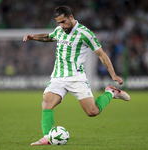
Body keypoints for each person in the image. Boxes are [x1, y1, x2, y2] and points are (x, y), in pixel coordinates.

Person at [23, 5, 130, 145]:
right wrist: (33, 37)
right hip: (58, 76)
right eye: (59, 23)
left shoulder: (85, 34)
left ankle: (111, 92)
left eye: (63, 22)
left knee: (92, 111)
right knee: (47, 103)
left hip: (76, 78)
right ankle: (47, 138)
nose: (61, 26)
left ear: (71, 17)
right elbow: (49, 37)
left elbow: (101, 54)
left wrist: (113, 75)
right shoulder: (59, 30)